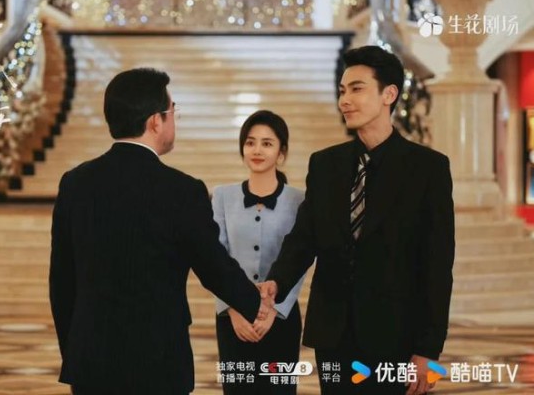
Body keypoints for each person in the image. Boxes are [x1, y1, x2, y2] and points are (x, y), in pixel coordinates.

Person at [49, 68, 272, 395]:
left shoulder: (75, 183)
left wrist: (75, 352)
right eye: (172, 112)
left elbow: (61, 281)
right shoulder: (182, 190)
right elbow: (213, 267)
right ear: (156, 121)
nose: (174, 121)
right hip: (158, 361)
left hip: (91, 361)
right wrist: (256, 303)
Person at [259, 45, 455, 395]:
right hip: (333, 335)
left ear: (389, 95)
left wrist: (428, 349)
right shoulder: (325, 165)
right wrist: (277, 281)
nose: (345, 101)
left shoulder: (428, 169)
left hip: (396, 336)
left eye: (356, 89)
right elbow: (304, 238)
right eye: (342, 91)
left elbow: (437, 266)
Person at [212, 110, 305, 395]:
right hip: (233, 319)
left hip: (282, 318)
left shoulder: (299, 199)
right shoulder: (222, 196)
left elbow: (301, 256)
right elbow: (215, 257)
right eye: (250, 142)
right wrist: (232, 309)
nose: (257, 150)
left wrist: (273, 310)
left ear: (281, 152)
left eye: (267, 143)